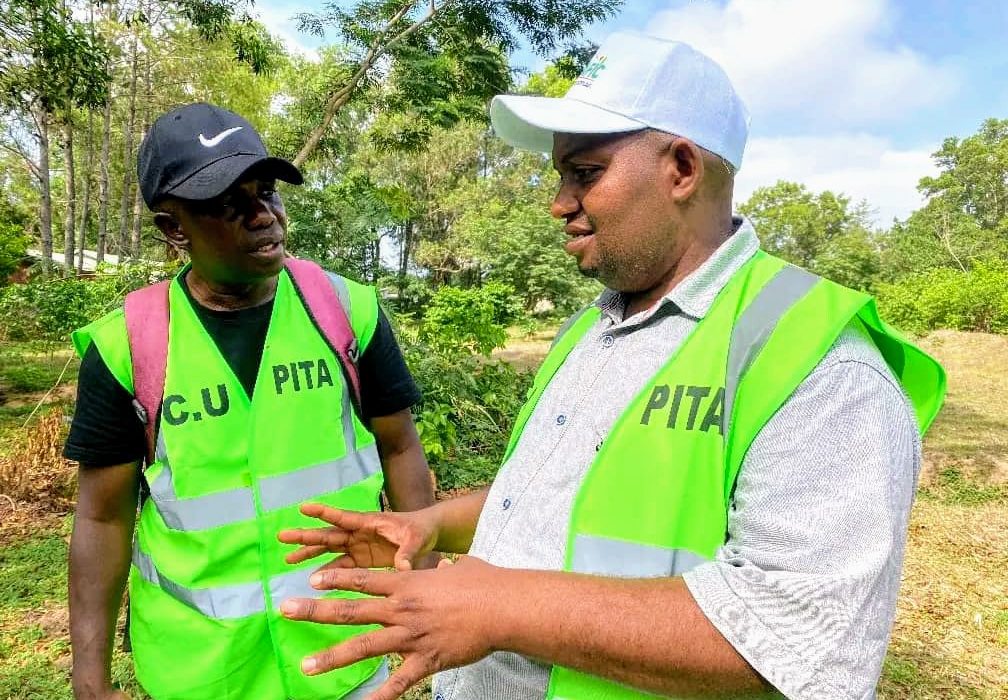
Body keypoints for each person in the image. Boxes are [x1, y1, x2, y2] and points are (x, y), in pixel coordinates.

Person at [277, 32, 946, 700]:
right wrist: (431, 524)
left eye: (585, 172)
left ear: (681, 169)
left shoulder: (817, 363)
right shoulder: (589, 331)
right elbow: (549, 496)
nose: (558, 203)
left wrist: (499, 606)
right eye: (560, 176)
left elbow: (801, 641)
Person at [64, 102, 436, 700]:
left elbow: (401, 448)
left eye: (267, 192)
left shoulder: (348, 312)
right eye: (229, 203)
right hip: (202, 675)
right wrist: (90, 679)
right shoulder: (126, 347)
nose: (264, 217)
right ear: (173, 228)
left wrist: (421, 587)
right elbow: (102, 517)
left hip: (344, 659)